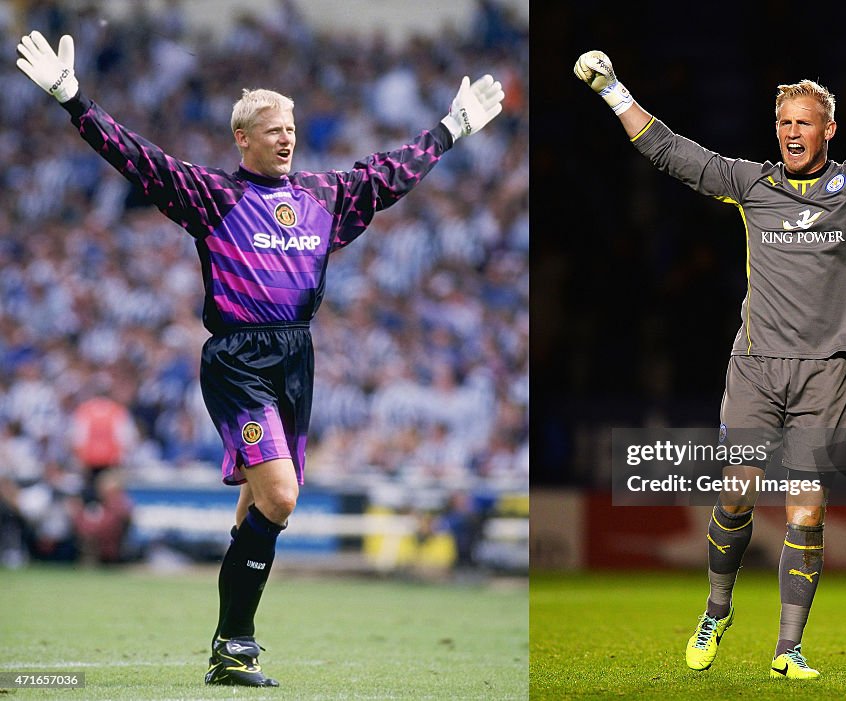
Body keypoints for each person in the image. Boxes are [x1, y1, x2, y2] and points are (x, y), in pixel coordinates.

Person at [16, 30, 504, 688]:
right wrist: (74, 99)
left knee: (255, 509)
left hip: (296, 357)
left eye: (291, 128)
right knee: (281, 494)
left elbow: (391, 175)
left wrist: (451, 127)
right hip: (238, 359)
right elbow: (139, 160)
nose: (286, 138)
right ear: (242, 139)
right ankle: (237, 640)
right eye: (272, 130)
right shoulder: (214, 196)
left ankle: (227, 648)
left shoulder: (325, 197)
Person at [574, 48, 846, 679]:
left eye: (804, 122)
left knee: (806, 509)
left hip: (825, 372)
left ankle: (787, 651)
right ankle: (716, 610)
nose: (791, 132)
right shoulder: (751, 185)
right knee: (735, 495)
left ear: (829, 130)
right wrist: (613, 89)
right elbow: (673, 153)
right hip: (757, 365)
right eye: (784, 122)